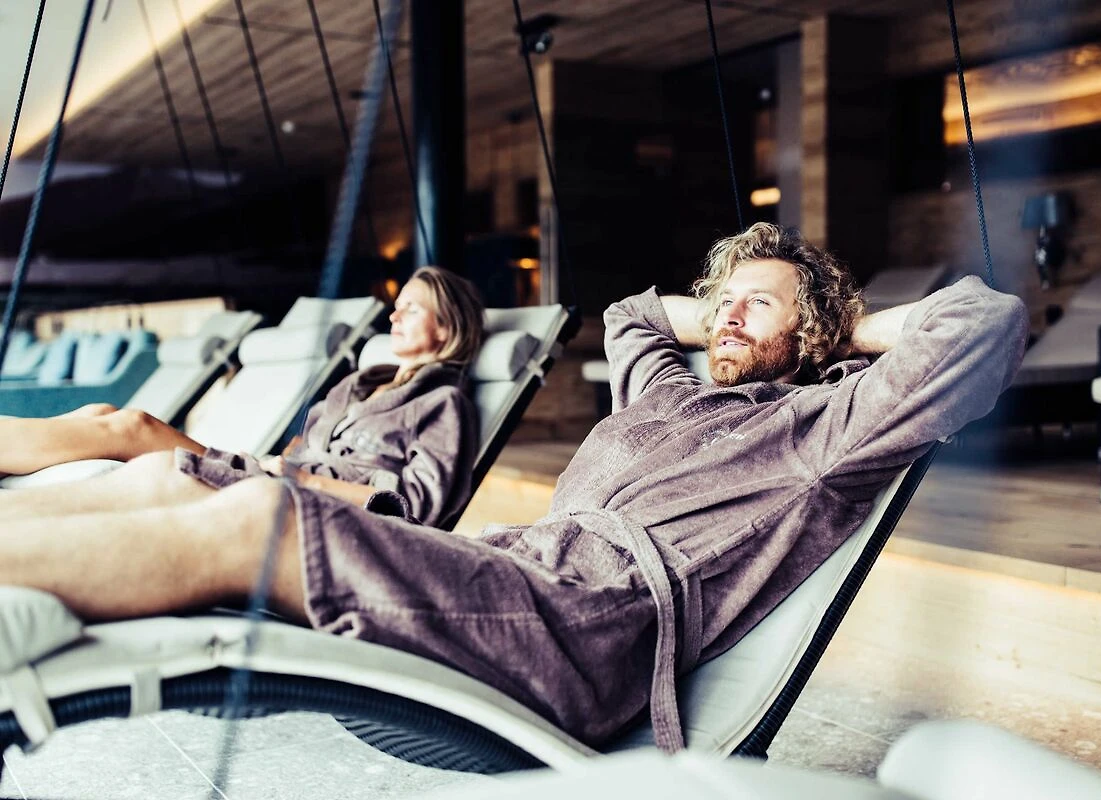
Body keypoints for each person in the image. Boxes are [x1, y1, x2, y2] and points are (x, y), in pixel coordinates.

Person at [0, 224, 1028, 751]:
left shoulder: (823, 428)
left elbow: (985, 324)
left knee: (258, 518)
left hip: (592, 621)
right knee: (171, 472)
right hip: (517, 572)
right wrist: (741, 300)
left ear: (813, 334)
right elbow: (630, 315)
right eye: (722, 300)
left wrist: (833, 328)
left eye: (757, 307)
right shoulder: (665, 390)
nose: (724, 316)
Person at [0, 265, 484, 527]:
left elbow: (419, 505)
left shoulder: (444, 404)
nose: (394, 316)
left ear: (447, 327)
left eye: (411, 309)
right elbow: (301, 444)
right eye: (396, 306)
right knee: (100, 411)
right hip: (276, 475)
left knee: (133, 427)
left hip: (306, 502)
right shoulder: (359, 384)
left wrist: (306, 481)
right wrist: (285, 462)